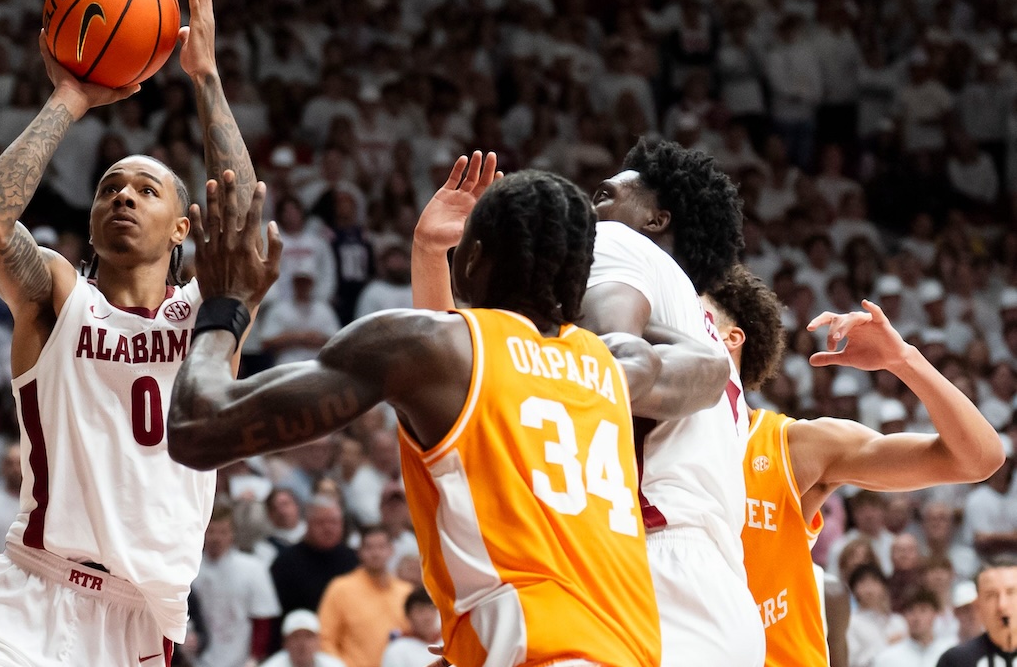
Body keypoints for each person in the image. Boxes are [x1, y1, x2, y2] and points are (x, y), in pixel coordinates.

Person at [168, 167, 731, 666]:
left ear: (475, 256)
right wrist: (562, 287)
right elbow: (709, 363)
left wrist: (225, 305)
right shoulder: (618, 365)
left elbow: (197, 428)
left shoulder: (423, 347)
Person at [0, 0, 259, 667]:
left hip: (136, 623)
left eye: (147, 189)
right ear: (89, 221)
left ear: (185, 226)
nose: (122, 195)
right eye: (110, 187)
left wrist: (206, 77)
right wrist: (71, 97)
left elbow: (242, 223)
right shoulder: (57, 295)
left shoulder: (204, 320)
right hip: (29, 596)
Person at [409, 145, 754, 665]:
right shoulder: (698, 326)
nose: (586, 213)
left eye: (603, 196)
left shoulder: (619, 243)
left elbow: (607, 365)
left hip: (647, 572)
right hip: (715, 601)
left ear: (656, 220)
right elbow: (467, 377)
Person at [701, 265, 1004, 666]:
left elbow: (978, 458)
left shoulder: (790, 446)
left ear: (729, 337)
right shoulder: (637, 442)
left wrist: (903, 360)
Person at [192, 503, 281, 667]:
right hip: (196, 659)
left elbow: (262, 618)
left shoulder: (253, 568)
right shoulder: (189, 569)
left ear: (232, 534)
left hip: (239, 659)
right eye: (211, 531)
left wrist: (255, 657)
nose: (216, 538)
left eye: (222, 532)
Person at [316, 525, 411, 667]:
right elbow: (325, 638)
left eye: (381, 547)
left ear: (391, 550)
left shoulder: (406, 592)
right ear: (359, 552)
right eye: (369, 548)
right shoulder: (341, 588)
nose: (375, 553)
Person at [269, 496, 358, 617]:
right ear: (308, 523)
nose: (328, 528)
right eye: (321, 522)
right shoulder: (286, 563)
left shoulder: (354, 559)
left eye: (334, 522)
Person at [936, 558, 1017, 666]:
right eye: (991, 595)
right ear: (978, 604)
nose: (1002, 605)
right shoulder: (955, 660)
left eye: (1011, 592)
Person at [870, 588, 954, 667]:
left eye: (923, 610)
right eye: (911, 611)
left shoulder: (950, 653)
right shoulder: (887, 658)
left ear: (935, 614)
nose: (916, 617)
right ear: (904, 615)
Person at [258, 610, 346, 667]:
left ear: (318, 641)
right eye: (296, 637)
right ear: (285, 643)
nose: (302, 644)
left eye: (308, 636)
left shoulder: (334, 665)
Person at [380, 588, 442, 667]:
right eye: (420, 610)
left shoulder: (447, 644)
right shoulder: (397, 650)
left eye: (431, 609)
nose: (427, 617)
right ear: (408, 616)